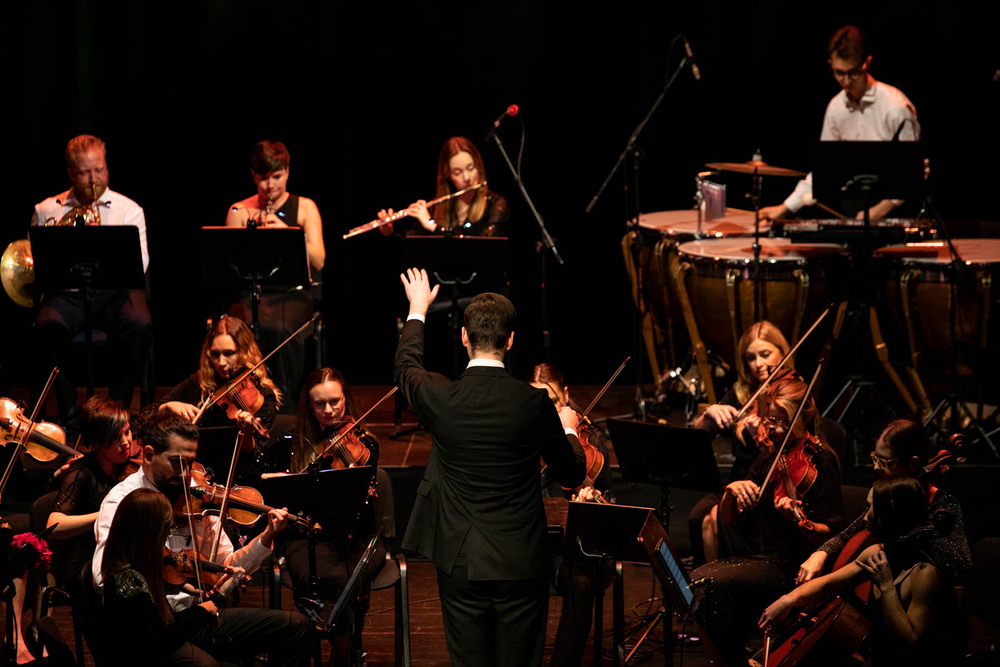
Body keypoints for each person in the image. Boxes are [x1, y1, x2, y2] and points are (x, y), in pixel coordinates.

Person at [395, 268, 585, 666]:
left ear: (464, 337)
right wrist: (568, 431)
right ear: (511, 340)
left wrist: (417, 310)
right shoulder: (533, 403)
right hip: (521, 560)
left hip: (459, 558)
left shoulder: (440, 396)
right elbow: (570, 475)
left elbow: (406, 367)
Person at [92, 412, 312, 666]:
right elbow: (102, 576)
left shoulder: (197, 498)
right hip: (156, 628)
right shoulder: (122, 501)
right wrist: (168, 567)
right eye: (177, 463)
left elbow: (223, 566)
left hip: (201, 615)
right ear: (149, 455)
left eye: (190, 463)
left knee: (296, 627)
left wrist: (266, 538)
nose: (186, 474)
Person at [689, 370, 844, 667]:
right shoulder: (767, 458)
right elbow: (729, 520)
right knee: (701, 581)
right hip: (761, 558)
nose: (771, 429)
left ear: (803, 417)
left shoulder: (822, 461)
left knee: (708, 583)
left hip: (793, 567)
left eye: (781, 421)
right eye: (769, 420)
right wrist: (731, 493)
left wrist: (802, 522)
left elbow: (832, 534)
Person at [759, 476, 964, 666]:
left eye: (870, 507)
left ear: (889, 511)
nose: (865, 518)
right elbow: (829, 585)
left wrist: (886, 586)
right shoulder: (877, 552)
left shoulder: (924, 574)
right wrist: (788, 599)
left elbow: (908, 641)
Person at [30, 134, 152, 435]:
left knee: (141, 324)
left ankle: (116, 412)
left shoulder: (129, 210)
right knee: (45, 326)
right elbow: (37, 264)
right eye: (85, 172)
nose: (94, 179)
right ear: (71, 173)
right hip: (66, 296)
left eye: (99, 169)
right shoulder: (47, 209)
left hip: (113, 294)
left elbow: (142, 264)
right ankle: (70, 415)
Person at [270, 367, 386, 665]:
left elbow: (363, 503)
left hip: (357, 534)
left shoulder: (365, 444)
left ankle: (341, 647)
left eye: (335, 401)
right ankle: (343, 645)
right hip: (307, 534)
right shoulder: (296, 444)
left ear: (346, 399)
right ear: (309, 406)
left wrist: (351, 482)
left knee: (346, 575)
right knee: (315, 575)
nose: (329, 410)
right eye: (319, 404)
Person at [758, 25, 920, 223]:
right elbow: (824, 169)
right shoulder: (836, 108)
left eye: (853, 72)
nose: (846, 81)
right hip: (853, 210)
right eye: (838, 73)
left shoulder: (896, 107)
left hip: (895, 212)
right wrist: (785, 207)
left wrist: (878, 211)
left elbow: (910, 173)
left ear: (867, 63)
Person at [796, 418, 971, 586]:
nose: (876, 467)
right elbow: (849, 533)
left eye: (884, 461)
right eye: (875, 457)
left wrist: (919, 533)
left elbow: (960, 568)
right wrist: (821, 552)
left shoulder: (943, 505)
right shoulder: (885, 496)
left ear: (913, 464)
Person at [224, 140, 324, 413]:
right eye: (263, 178)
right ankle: (241, 405)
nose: (270, 185)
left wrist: (289, 234)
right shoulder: (238, 210)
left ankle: (286, 409)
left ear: (288, 172)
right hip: (251, 294)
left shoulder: (305, 207)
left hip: (293, 293)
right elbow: (228, 266)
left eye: (277, 177)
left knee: (278, 329)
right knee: (236, 329)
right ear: (254, 176)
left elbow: (319, 259)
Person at [529, 362, 614, 667]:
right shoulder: (523, 435)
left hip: (570, 545)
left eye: (551, 401)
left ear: (565, 395)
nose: (546, 410)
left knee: (581, 582)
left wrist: (589, 499)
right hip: (532, 540)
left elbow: (610, 503)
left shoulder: (589, 436)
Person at [689, 321, 794, 564]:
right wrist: (710, 414)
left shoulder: (792, 392)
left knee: (714, 519)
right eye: (750, 358)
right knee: (696, 516)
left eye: (765, 355)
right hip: (736, 477)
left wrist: (767, 431)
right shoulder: (741, 392)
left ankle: (730, 584)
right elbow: (699, 437)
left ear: (782, 351)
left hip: (770, 481)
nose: (758, 364)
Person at [99, 488, 224, 666]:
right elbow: (159, 641)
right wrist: (201, 611)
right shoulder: (129, 581)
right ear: (148, 533)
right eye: (167, 528)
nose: (168, 535)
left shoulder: (133, 565)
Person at [158, 315, 280, 486]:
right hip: (196, 476)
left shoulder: (263, 396)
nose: (221, 363)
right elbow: (153, 411)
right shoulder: (200, 382)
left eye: (229, 354)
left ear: (245, 351)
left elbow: (255, 457)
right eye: (215, 354)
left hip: (236, 482)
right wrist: (169, 406)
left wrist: (246, 433)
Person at [47, 395, 135, 587]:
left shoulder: (137, 465)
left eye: (127, 432)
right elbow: (54, 525)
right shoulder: (81, 471)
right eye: (115, 438)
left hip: (129, 553)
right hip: (90, 557)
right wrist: (105, 514)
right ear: (96, 441)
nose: (126, 442)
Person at [377, 136, 509, 236]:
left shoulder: (496, 205)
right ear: (448, 176)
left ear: (479, 167)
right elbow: (412, 250)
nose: (467, 178)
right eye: (458, 172)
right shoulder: (436, 207)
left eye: (470, 168)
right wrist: (390, 232)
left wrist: (432, 226)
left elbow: (481, 251)